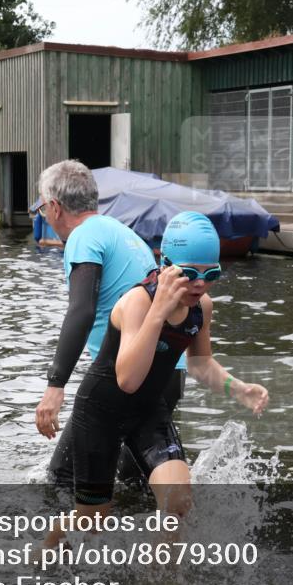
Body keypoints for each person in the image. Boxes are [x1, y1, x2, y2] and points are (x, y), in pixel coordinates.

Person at [44, 212, 269, 546]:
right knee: (91, 522)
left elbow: (200, 364)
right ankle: (44, 550)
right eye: (189, 274)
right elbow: (128, 380)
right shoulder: (137, 302)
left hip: (149, 410)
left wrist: (239, 389)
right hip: (100, 413)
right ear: (165, 265)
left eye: (211, 274)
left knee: (178, 502)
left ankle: (162, 584)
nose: (199, 284)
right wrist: (159, 312)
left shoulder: (201, 306)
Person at [31, 160, 187, 485]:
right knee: (134, 481)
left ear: (55, 207)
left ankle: (66, 536)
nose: (44, 216)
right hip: (169, 374)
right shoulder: (124, 234)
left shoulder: (82, 237)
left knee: (63, 478)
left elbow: (81, 311)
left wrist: (55, 387)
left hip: (127, 378)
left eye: (43, 209)